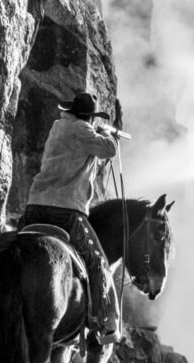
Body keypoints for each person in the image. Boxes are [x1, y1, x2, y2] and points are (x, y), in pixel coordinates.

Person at [18, 90, 122, 344]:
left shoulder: (58, 127)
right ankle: (104, 323)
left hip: (35, 206)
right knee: (98, 263)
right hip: (66, 211)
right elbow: (109, 149)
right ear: (88, 117)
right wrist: (108, 133)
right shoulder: (83, 131)